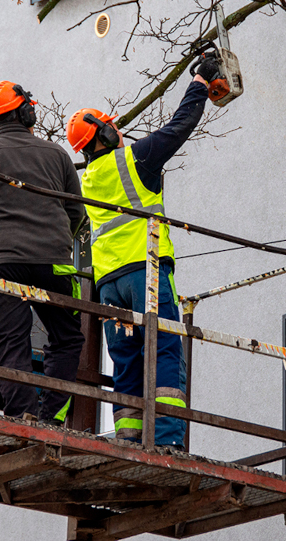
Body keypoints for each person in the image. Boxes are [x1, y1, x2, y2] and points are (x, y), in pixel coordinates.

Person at [66, 58, 219, 448]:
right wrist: (200, 81)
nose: (118, 129)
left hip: (108, 285)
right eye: (111, 125)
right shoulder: (134, 159)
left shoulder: (85, 181)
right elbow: (180, 125)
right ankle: (167, 439)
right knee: (166, 348)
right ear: (103, 132)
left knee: (127, 360)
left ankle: (129, 439)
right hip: (145, 273)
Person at [0, 80, 85, 424]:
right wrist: (55, 243)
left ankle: (22, 415)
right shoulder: (58, 156)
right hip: (54, 264)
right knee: (67, 338)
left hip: (1, 265)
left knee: (9, 340)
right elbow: (76, 214)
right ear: (27, 112)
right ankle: (52, 417)